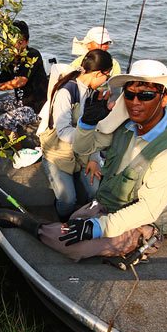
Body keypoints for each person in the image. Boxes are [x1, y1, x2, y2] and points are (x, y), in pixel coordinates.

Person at [0, 60, 167, 263]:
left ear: (165, 98)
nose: (135, 102)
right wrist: (87, 123)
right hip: (110, 204)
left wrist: (96, 227)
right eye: (129, 94)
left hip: (141, 223)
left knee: (69, 242)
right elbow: (83, 148)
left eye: (145, 96)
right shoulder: (125, 127)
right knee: (74, 222)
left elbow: (147, 210)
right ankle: (58, 227)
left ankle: (31, 226)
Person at [37, 49, 114, 221]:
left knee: (96, 191)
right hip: (57, 154)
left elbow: (93, 128)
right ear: (97, 74)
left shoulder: (90, 92)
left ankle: (88, 219)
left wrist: (94, 158)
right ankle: (64, 221)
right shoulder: (67, 92)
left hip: (83, 152)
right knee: (67, 198)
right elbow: (63, 131)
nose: (106, 81)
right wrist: (90, 140)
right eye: (106, 76)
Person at [0, 20, 48, 145]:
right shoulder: (11, 60)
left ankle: (21, 154)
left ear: (27, 41)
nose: (16, 46)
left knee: (5, 120)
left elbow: (20, 81)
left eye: (20, 42)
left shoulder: (33, 55)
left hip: (36, 107)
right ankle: (10, 131)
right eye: (12, 42)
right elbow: (1, 81)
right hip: (20, 101)